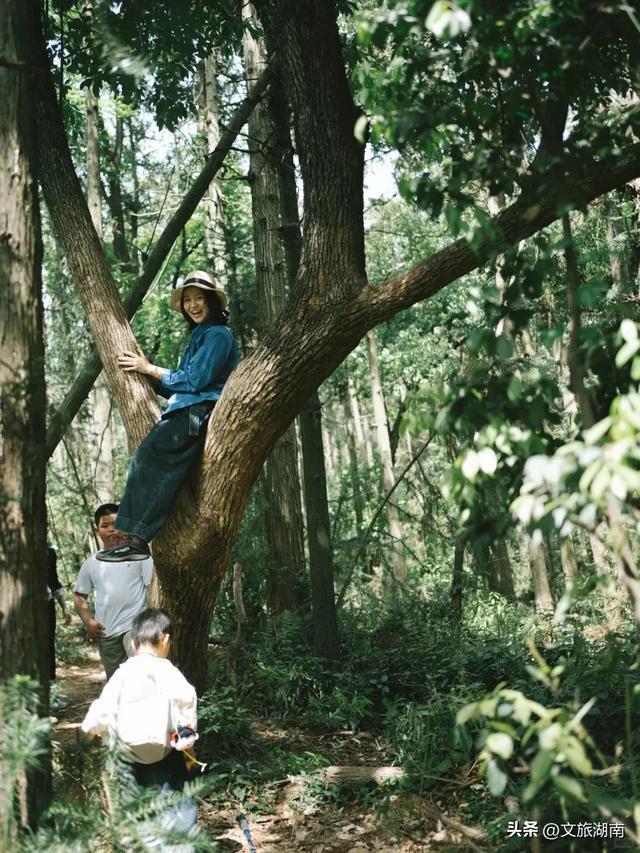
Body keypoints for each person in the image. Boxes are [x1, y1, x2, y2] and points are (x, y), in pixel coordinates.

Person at [97, 270, 239, 563]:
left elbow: (197, 380)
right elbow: (180, 384)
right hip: (185, 410)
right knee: (150, 461)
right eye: (188, 300)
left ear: (212, 302)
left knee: (147, 458)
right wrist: (145, 370)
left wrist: (151, 369)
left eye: (200, 298)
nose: (194, 305)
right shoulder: (200, 336)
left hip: (196, 412)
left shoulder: (219, 335)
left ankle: (135, 539)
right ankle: (134, 536)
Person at [81, 608, 198, 844]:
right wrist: (188, 743)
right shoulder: (170, 672)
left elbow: (101, 711)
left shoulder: (123, 674)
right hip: (166, 753)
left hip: (129, 756)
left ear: (133, 642)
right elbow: (186, 709)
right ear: (165, 639)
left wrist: (89, 733)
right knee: (178, 808)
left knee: (135, 811)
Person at [73, 503, 154, 680]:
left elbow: (152, 589)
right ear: (97, 532)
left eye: (117, 524)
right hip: (107, 632)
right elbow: (80, 596)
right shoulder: (92, 563)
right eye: (105, 526)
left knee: (141, 675)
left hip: (135, 628)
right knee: (116, 682)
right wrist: (88, 622)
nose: (112, 530)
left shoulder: (140, 556)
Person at [48, 546, 71, 681]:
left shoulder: (49, 552)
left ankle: (51, 689)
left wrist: (64, 607)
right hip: (23, 608)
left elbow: (54, 580)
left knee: (49, 646)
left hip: (47, 605)